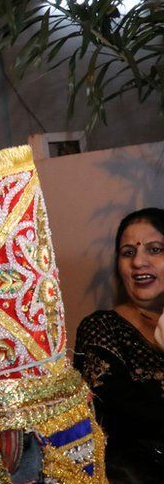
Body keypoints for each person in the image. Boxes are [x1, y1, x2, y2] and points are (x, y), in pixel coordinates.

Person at [73, 207, 164, 483]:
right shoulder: (101, 328)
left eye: (155, 249)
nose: (138, 262)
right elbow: (112, 413)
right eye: (128, 253)